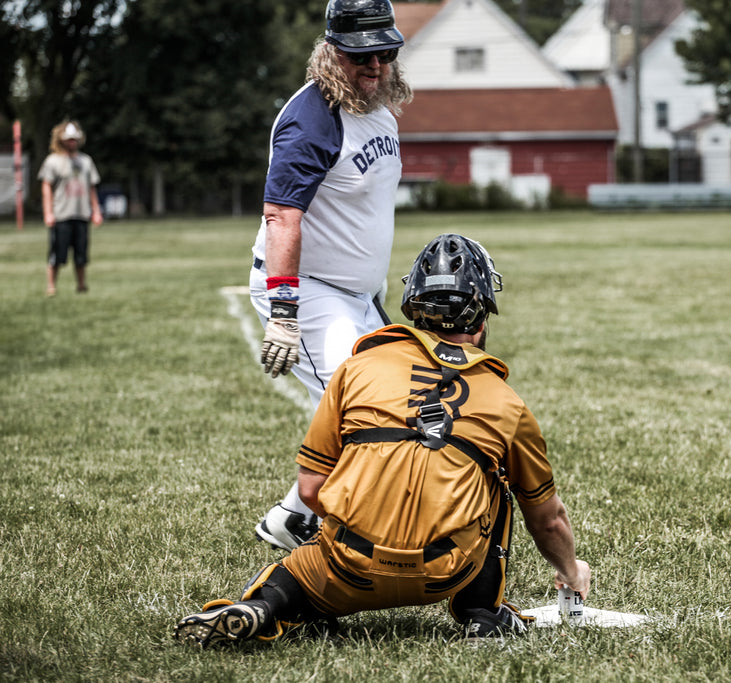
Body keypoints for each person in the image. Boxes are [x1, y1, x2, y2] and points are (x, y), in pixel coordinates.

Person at [176, 234, 592, 647]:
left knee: (300, 573)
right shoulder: (506, 401)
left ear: (412, 308)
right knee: (498, 478)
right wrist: (572, 571)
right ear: (482, 319)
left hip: (349, 567)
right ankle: (482, 615)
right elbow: (547, 518)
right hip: (444, 573)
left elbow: (310, 488)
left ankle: (265, 608)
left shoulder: (355, 369)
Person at [250, 0, 414, 551]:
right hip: (312, 289)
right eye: (361, 54)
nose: (375, 65)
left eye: (385, 52)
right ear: (330, 51)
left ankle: (293, 518)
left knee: (399, 399)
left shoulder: (380, 110)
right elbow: (282, 216)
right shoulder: (311, 117)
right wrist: (283, 312)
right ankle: (322, 523)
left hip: (356, 294)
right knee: (368, 411)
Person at [37, 120, 104, 296]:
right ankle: (51, 286)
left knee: (81, 255)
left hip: (81, 214)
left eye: (75, 138)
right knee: (56, 254)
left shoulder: (86, 161)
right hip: (61, 215)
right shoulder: (53, 161)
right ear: (61, 140)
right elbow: (46, 187)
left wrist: (96, 211)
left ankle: (81, 285)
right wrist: (48, 212)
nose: (72, 142)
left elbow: (91, 187)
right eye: (69, 139)